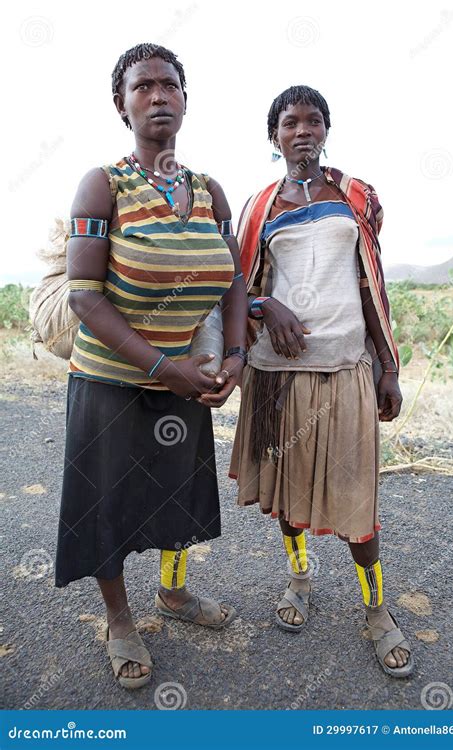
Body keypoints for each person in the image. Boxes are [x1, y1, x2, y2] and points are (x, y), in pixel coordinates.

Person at [54, 43, 248, 689]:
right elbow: (85, 296)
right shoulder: (103, 184)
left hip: (187, 379)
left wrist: (238, 359)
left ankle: (172, 594)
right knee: (108, 505)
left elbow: (233, 283)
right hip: (113, 381)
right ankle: (118, 620)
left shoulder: (208, 189)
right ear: (123, 104)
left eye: (169, 85)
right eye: (143, 87)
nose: (158, 95)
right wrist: (164, 367)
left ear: (185, 100)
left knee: (173, 499)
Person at [229, 85, 414, 677]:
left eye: (313, 120)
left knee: (357, 497)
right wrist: (265, 308)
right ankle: (299, 578)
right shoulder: (260, 207)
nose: (301, 130)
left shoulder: (355, 196)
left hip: (345, 367)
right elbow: (237, 287)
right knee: (288, 492)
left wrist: (387, 366)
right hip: (278, 374)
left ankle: (377, 610)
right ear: (274, 137)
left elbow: (370, 284)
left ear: (326, 130)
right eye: (289, 122)